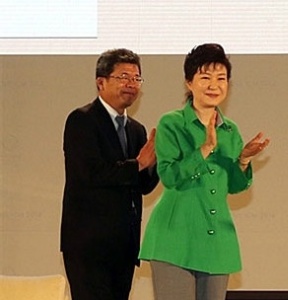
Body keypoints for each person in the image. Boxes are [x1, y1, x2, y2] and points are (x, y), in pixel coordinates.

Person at [139, 43, 270, 300]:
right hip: (174, 239)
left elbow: (233, 186)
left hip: (217, 241)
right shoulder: (171, 123)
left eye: (221, 78)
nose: (214, 85)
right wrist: (205, 149)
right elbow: (169, 175)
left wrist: (243, 159)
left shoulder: (230, 129)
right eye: (205, 77)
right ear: (189, 83)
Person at [60, 48, 159, 300]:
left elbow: (144, 185)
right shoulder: (81, 120)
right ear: (100, 82)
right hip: (88, 247)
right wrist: (137, 164)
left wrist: (157, 161)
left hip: (124, 247)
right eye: (123, 77)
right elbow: (90, 173)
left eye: (136, 78)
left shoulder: (136, 129)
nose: (131, 84)